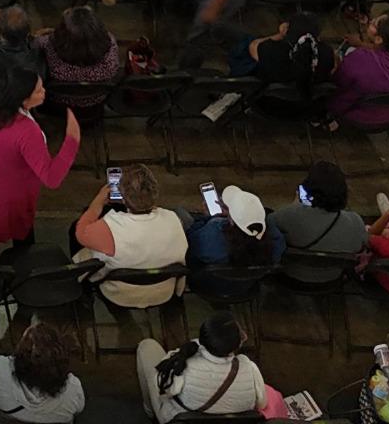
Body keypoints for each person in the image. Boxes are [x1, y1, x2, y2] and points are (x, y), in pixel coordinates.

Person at [72, 161, 188, 307]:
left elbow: (80, 231)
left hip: (121, 294)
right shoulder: (173, 219)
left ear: (122, 196)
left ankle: (83, 294)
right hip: (163, 291)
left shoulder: (109, 228)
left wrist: (98, 201)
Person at [139, 316, 268, 422]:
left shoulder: (183, 365)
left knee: (147, 346)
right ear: (237, 345)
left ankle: (150, 412)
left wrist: (175, 355)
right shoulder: (250, 368)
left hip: (181, 418)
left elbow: (161, 386)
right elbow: (262, 404)